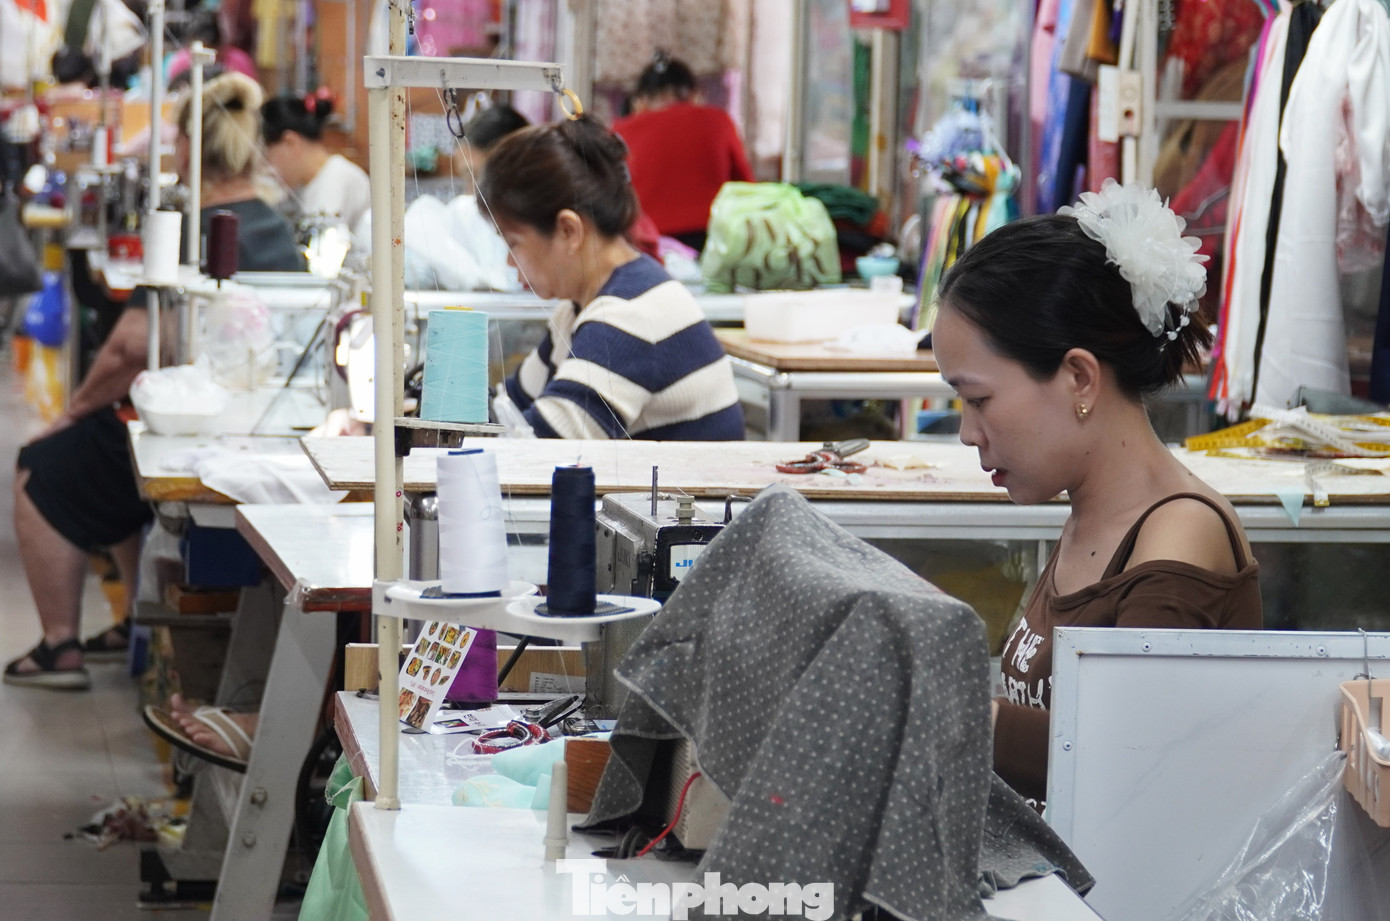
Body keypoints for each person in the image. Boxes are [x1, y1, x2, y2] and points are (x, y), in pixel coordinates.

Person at [929, 180, 1263, 803]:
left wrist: (946, 713)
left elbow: (1129, 764)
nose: (968, 432)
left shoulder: (1176, 540)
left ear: (1079, 376)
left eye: (979, 400)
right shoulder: (1091, 513)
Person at [4, 71, 306, 690]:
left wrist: (73, 410)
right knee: (113, 444)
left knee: (42, 463)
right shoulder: (275, 226)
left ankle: (59, 646)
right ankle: (133, 625)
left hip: (211, 428)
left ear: (193, 146)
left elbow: (131, 347)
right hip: (261, 413)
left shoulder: (197, 229)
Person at [479, 116, 744, 441]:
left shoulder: (629, 316)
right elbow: (509, 406)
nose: (509, 261)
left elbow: (539, 449)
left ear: (568, 231)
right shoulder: (579, 309)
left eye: (513, 243)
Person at [612, 51, 753, 251]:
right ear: (695, 95)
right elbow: (747, 189)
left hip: (646, 244)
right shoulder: (719, 121)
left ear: (639, 101)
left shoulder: (620, 131)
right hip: (713, 241)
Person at [261, 91, 371, 244]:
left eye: (268, 156)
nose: (268, 167)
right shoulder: (315, 182)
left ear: (290, 142)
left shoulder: (335, 180)